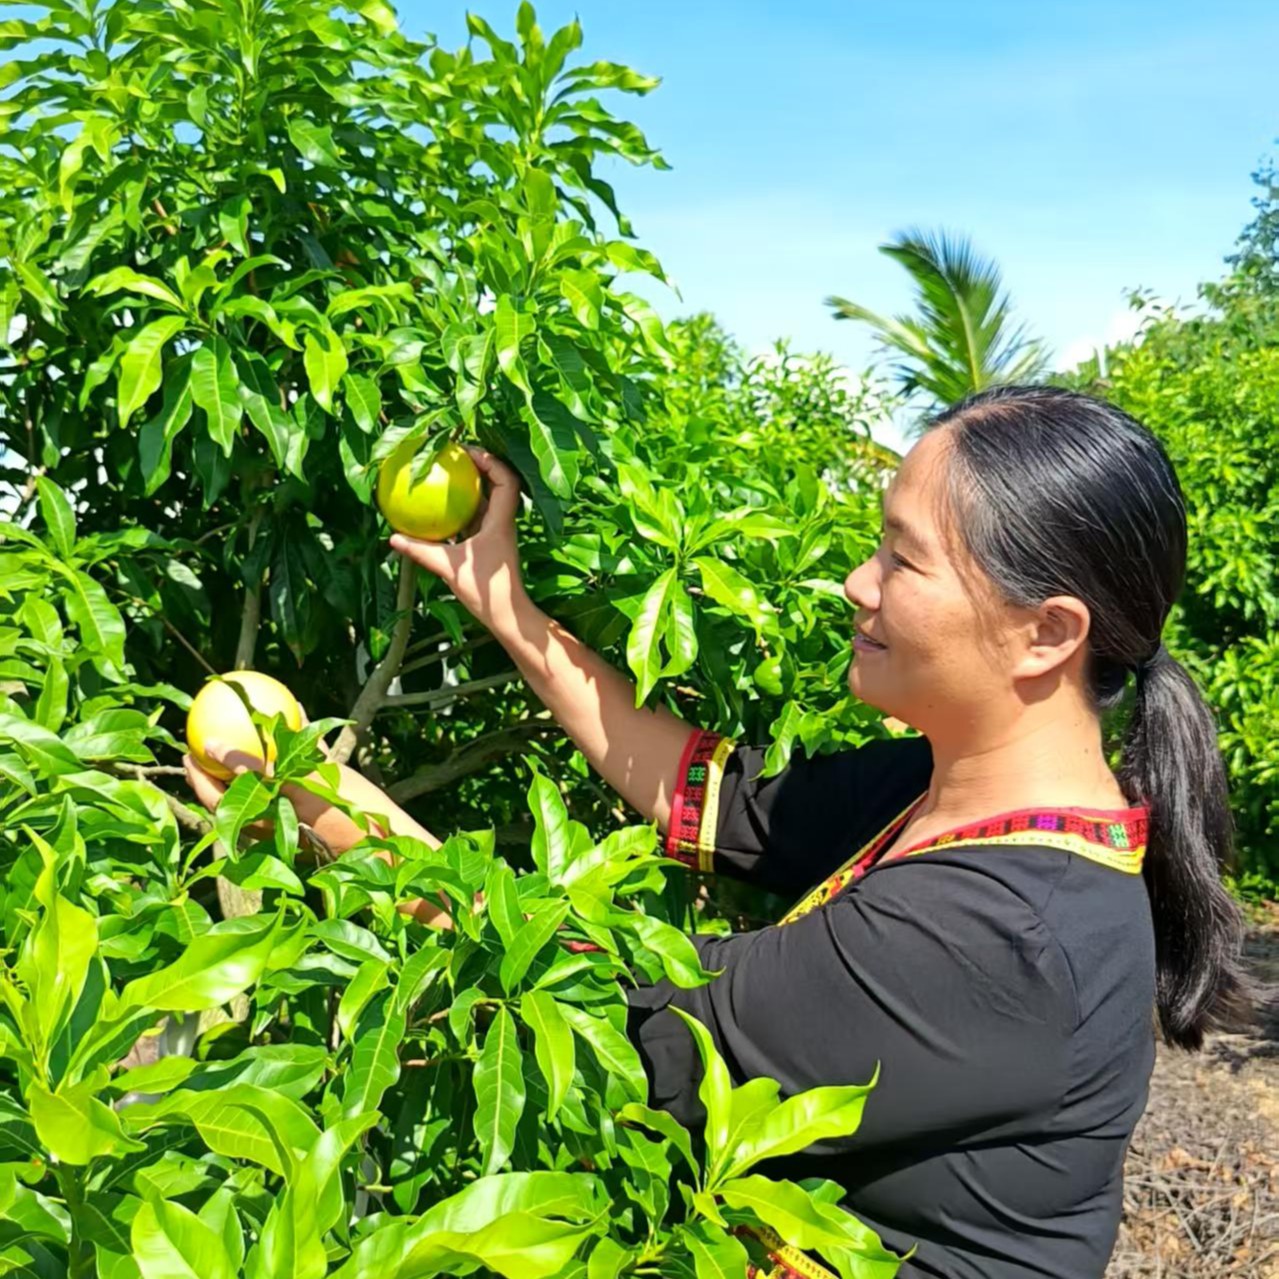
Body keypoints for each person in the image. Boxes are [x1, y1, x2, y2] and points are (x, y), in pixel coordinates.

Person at [186, 385, 1244, 1279]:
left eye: (902, 560)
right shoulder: (954, 786)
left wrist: (303, 786)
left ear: (1046, 632)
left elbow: (609, 1021)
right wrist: (505, 605)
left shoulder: (1008, 935)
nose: (856, 583)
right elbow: (716, 800)